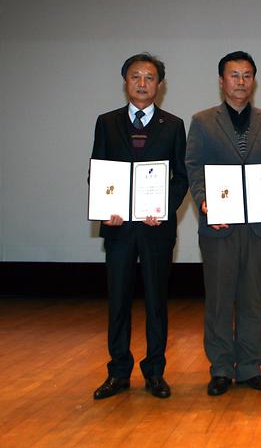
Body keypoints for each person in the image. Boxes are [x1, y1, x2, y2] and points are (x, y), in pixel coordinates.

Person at [185, 50, 261, 396]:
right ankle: (219, 369)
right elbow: (194, 167)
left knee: (251, 298)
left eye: (247, 75)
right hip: (220, 226)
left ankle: (249, 368)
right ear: (221, 81)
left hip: (258, 226)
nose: (240, 82)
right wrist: (204, 203)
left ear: (254, 81)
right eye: (234, 75)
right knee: (218, 298)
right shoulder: (202, 121)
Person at [90, 53, 188, 400]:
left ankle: (155, 372)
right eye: (136, 77)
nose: (142, 83)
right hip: (118, 229)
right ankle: (118, 372)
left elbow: (181, 177)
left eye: (149, 77)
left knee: (156, 301)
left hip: (155, 228)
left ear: (160, 85)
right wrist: (105, 208)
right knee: (117, 301)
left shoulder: (173, 125)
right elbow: (98, 172)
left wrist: (163, 209)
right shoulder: (107, 122)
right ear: (125, 82)